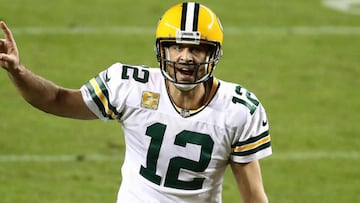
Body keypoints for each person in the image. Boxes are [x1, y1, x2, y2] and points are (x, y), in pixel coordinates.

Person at [0, 2, 272, 203]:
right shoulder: (129, 86)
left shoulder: (238, 110)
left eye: (197, 48)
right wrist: (18, 70)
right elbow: (57, 99)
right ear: (162, 49)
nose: (186, 57)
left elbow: (253, 197)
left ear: (213, 53)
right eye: (176, 46)